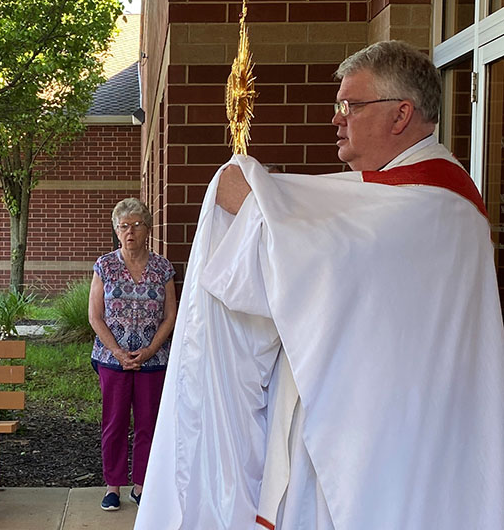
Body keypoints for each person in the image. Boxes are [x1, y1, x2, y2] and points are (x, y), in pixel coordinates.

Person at [135, 41, 504, 530]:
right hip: (376, 429)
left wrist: (251, 209)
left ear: (401, 115)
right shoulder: (401, 198)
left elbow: (316, 268)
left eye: (350, 105)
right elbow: (332, 254)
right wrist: (260, 209)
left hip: (382, 446)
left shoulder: (434, 204)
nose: (337, 117)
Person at [89, 197, 176, 512]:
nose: (131, 232)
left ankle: (141, 485)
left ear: (148, 229)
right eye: (124, 226)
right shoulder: (105, 266)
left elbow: (170, 315)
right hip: (113, 360)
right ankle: (112, 486)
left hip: (152, 361)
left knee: (148, 424)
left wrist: (150, 349)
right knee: (113, 423)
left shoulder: (163, 268)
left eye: (137, 225)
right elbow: (95, 316)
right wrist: (118, 352)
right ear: (116, 229)